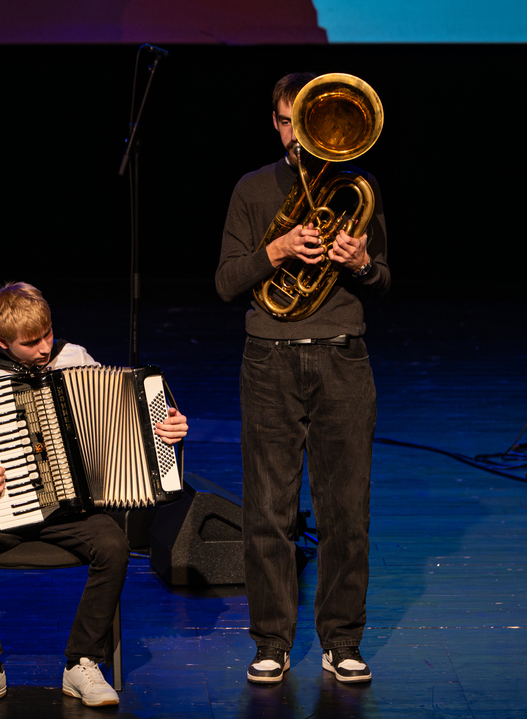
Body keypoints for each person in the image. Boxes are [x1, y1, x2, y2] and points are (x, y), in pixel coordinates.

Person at [0, 282, 188, 711]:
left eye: (47, 335)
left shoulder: (74, 358)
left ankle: (82, 662)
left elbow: (124, 420)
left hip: (74, 509)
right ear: (1, 340)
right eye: (30, 343)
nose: (44, 349)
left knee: (113, 545)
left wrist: (166, 429)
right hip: (1, 506)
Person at [215, 72, 390, 684]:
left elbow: (384, 279)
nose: (298, 137)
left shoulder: (357, 187)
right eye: (289, 123)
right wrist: (279, 249)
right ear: (275, 123)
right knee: (268, 509)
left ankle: (342, 641)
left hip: (343, 358)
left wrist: (362, 264)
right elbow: (226, 281)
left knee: (346, 512)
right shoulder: (252, 188)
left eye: (307, 124)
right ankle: (271, 642)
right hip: (269, 360)